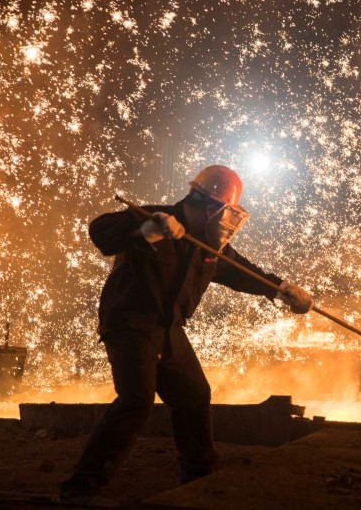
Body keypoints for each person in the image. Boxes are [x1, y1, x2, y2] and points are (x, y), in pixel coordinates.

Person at [59, 165, 312, 503]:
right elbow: (101, 231)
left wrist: (280, 289)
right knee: (136, 401)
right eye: (226, 212)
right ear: (211, 208)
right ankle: (80, 489)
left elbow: (241, 272)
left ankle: (198, 474)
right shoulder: (154, 218)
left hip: (167, 330)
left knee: (193, 394)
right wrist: (150, 230)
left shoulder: (206, 246)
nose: (227, 222)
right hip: (131, 324)